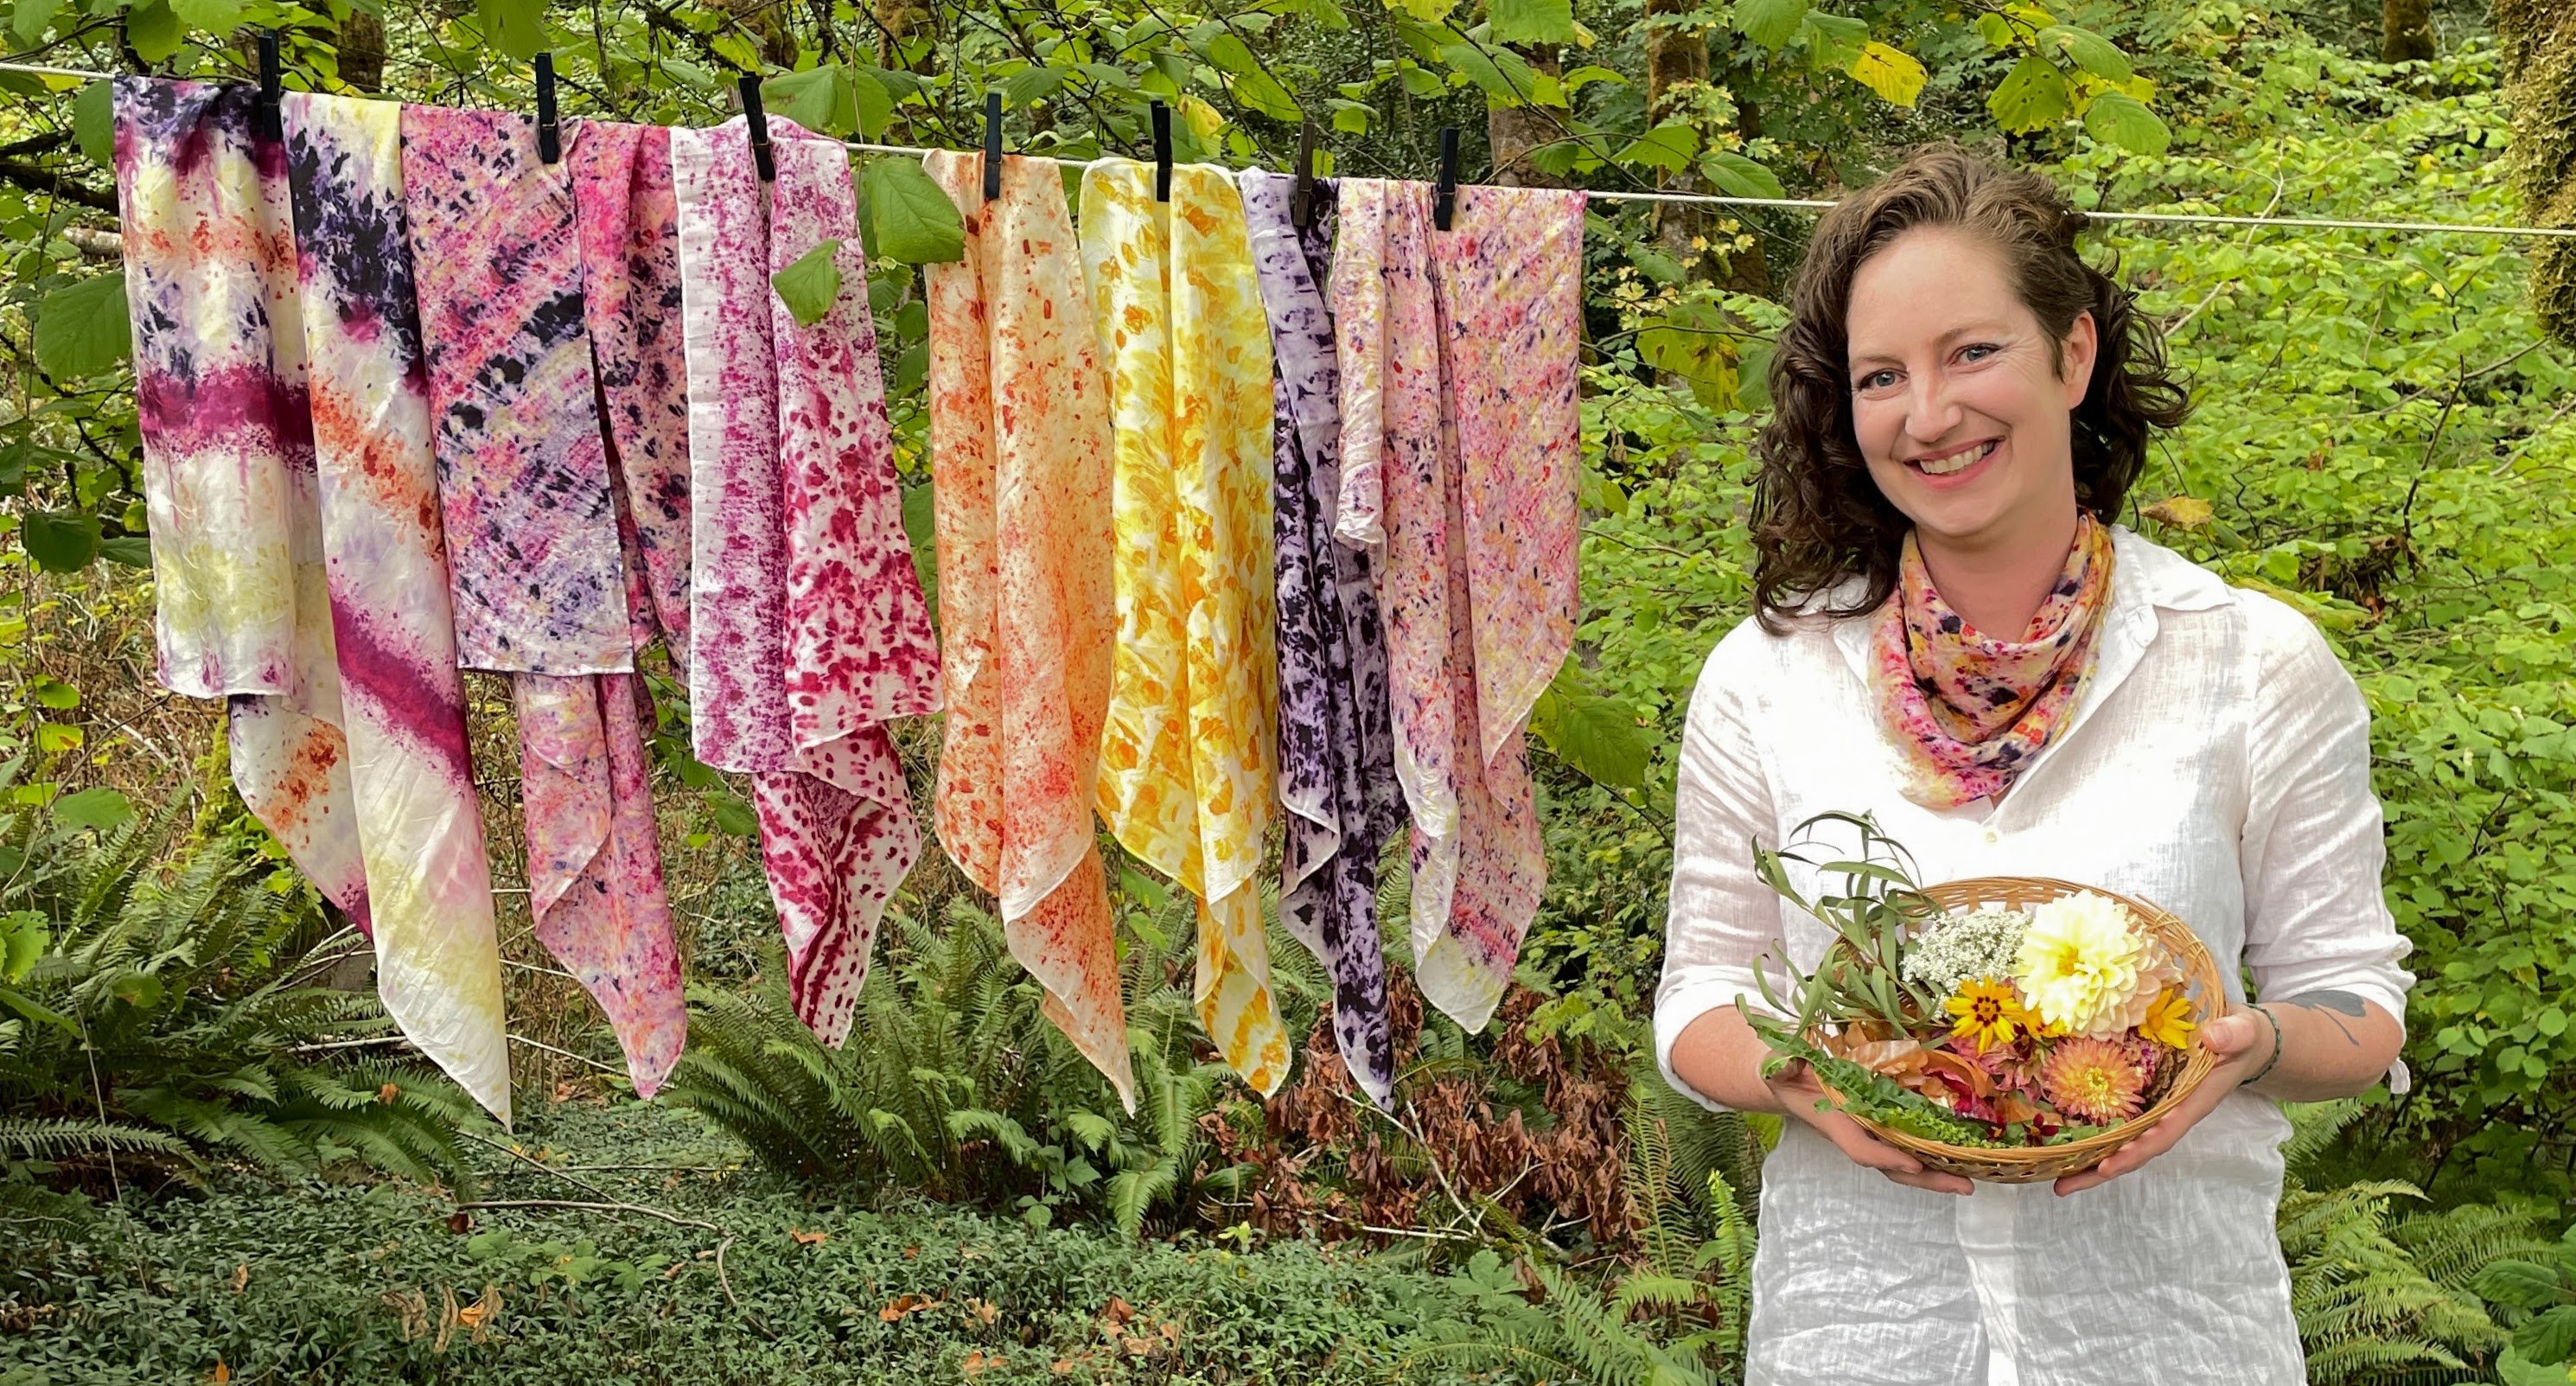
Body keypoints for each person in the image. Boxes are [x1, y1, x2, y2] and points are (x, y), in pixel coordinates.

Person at [1653, 142, 2415, 1384]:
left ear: (2072, 356)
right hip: (1862, 1335)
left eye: (1973, 351)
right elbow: (1696, 1000)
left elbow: (2359, 1005)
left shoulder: (2251, 663)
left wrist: (2251, 1045)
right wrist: (1799, 1078)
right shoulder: (1768, 676)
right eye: (1881, 375)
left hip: (2169, 1339)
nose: (1929, 414)